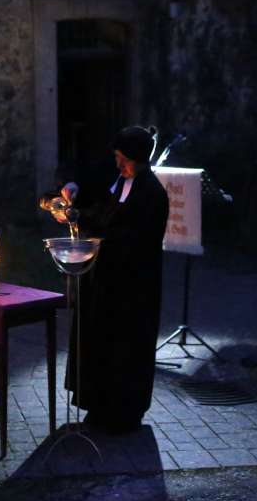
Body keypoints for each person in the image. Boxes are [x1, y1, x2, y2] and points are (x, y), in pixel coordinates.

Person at [41, 125, 169, 434]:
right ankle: (98, 405)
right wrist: (76, 216)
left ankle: (123, 413)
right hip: (104, 281)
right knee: (99, 341)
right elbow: (102, 216)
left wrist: (92, 234)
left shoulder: (151, 193)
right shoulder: (121, 184)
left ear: (137, 159)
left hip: (131, 288)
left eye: (122, 158)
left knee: (125, 348)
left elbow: (132, 237)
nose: (118, 164)